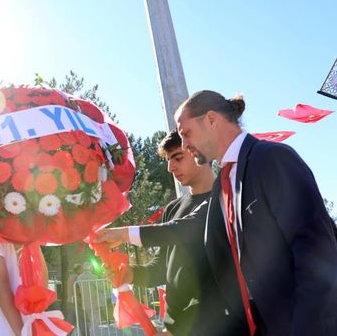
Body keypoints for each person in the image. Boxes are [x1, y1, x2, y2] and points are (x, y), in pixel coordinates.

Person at [175, 90, 337, 335]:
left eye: (186, 133)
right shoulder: (222, 184)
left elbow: (317, 255)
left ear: (211, 119)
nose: (185, 145)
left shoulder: (272, 159)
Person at [95, 130, 243, 336]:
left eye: (177, 157)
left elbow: (184, 230)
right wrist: (131, 274)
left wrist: (122, 234)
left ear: (198, 152)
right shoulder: (173, 209)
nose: (170, 167)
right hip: (176, 327)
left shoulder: (225, 199)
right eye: (168, 160)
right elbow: (162, 268)